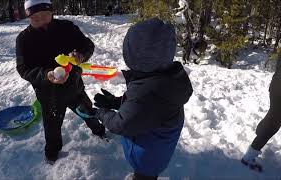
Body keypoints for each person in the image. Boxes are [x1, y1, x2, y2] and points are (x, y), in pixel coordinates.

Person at [92, 18, 193, 179]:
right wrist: (117, 102)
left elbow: (122, 124)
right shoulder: (165, 78)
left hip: (146, 160)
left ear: (138, 56)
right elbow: (144, 110)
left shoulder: (148, 90)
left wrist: (102, 114)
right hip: (156, 151)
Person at [16, 0, 105, 165]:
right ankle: (51, 153)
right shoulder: (23, 39)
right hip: (49, 96)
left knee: (87, 111)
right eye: (35, 18)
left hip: (74, 89)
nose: (41, 20)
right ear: (28, 17)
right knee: (51, 128)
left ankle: (99, 131)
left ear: (52, 12)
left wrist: (81, 55)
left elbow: (87, 44)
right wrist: (46, 75)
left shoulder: (67, 28)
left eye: (45, 15)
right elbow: (23, 69)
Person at [241, 51, 281, 172]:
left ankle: (260, 131)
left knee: (273, 118)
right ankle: (248, 157)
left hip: (276, 84)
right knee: (273, 123)